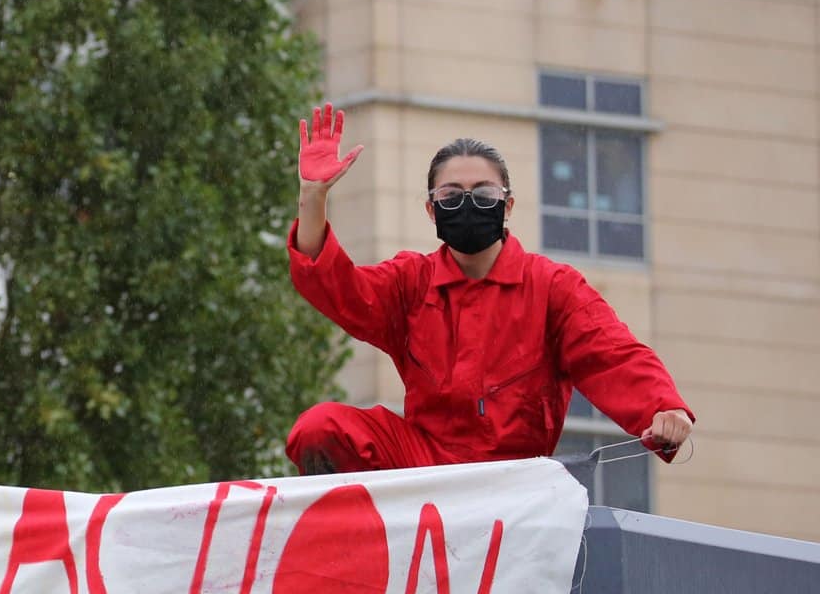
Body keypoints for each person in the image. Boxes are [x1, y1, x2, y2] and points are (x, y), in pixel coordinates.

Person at [285, 102, 694, 475]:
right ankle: (351, 545)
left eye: (483, 194)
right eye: (450, 195)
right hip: (424, 464)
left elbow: (613, 355)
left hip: (512, 480)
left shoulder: (552, 287)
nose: (467, 204)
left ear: (508, 205)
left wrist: (663, 407)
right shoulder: (411, 283)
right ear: (431, 210)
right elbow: (336, 285)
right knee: (320, 429)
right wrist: (313, 196)